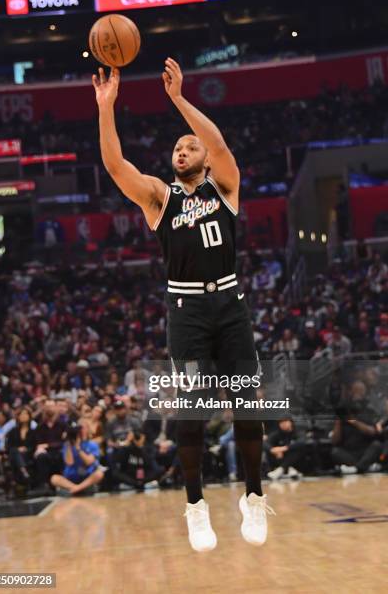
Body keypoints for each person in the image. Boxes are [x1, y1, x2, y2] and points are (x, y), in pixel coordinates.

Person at [93, 58, 274, 552]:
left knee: (247, 408)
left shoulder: (225, 186)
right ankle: (195, 506)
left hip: (231, 305)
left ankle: (253, 497)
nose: (182, 149)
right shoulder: (159, 198)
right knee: (190, 414)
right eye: (176, 146)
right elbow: (115, 167)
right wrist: (106, 108)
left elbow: (216, 143)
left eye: (189, 146)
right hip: (187, 312)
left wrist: (177, 100)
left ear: (206, 160)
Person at [51, 420, 103, 496]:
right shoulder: (68, 445)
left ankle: (76, 489)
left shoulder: (92, 445)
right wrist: (69, 442)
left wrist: (78, 449)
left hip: (87, 477)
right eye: (79, 428)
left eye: (83, 428)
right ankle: (77, 488)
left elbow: (89, 462)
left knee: (99, 474)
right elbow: (69, 462)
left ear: (88, 430)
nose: (81, 430)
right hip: (70, 479)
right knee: (54, 478)